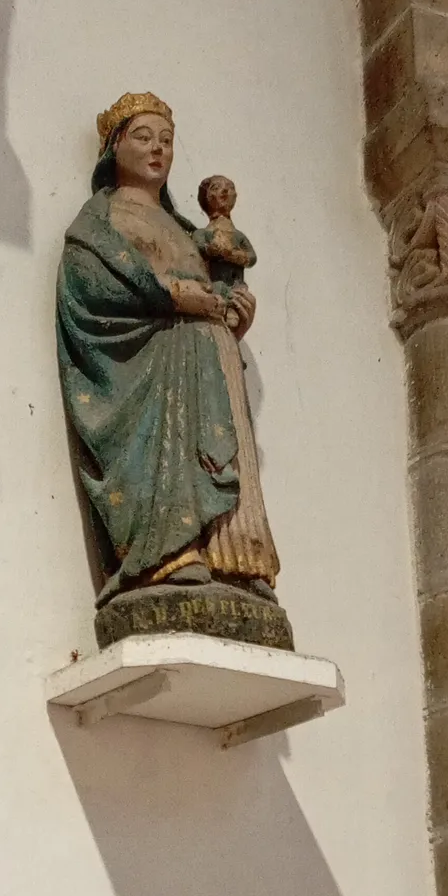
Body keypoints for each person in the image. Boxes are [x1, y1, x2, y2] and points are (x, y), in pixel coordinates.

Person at [57, 92, 279, 606]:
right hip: (153, 369)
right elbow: (91, 284)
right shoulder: (101, 221)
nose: (157, 149)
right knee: (172, 448)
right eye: (143, 137)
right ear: (114, 147)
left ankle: (234, 560)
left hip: (211, 361)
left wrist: (234, 314)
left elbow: (216, 288)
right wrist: (181, 297)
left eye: (167, 140)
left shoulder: (187, 230)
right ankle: (167, 553)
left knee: (224, 453)